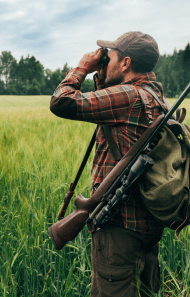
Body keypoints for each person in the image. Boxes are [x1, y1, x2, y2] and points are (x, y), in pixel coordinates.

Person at [50, 31, 167, 297]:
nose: (103, 60)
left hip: (118, 227)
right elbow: (109, 112)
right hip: (148, 223)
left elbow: (61, 101)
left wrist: (82, 67)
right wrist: (103, 76)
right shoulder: (156, 96)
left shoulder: (127, 97)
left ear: (125, 63)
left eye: (109, 56)